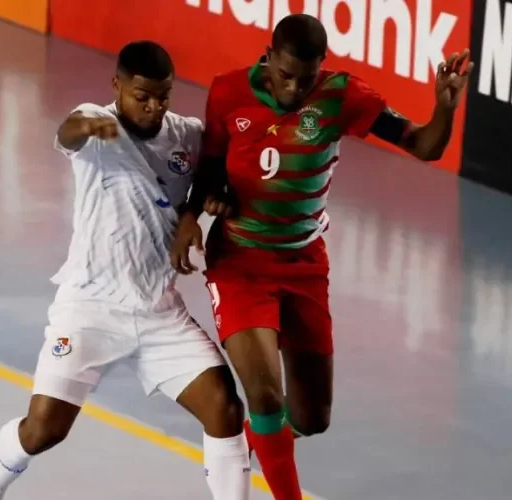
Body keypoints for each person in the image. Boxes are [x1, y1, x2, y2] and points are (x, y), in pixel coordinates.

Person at [170, 14, 473, 500]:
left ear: (321, 69)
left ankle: (256, 442)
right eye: (285, 76)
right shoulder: (228, 91)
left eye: (305, 79)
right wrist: (194, 214)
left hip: (304, 264)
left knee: (312, 419)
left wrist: (444, 109)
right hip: (241, 262)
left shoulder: (343, 96)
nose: (293, 89)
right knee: (265, 395)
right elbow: (210, 165)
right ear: (267, 58)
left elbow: (424, 146)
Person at [0, 41, 251, 500]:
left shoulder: (187, 135)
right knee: (44, 429)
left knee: (224, 407)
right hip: (90, 308)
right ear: (117, 86)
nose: (155, 106)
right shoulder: (97, 128)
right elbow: (69, 133)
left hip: (159, 311)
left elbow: (212, 173)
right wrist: (88, 126)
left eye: (164, 95)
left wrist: (197, 209)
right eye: (143, 96)